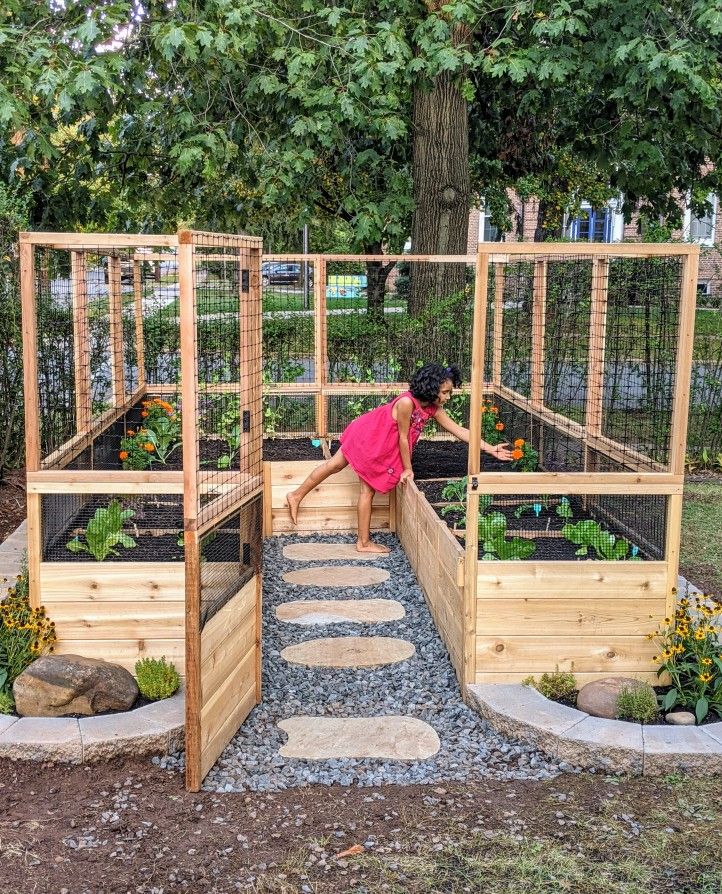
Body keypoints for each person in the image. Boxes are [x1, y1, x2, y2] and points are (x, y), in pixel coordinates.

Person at [285, 362, 514, 553]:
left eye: (449, 392)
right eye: (445, 392)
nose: (448, 397)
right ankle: (361, 542)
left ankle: (295, 496)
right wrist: (408, 468)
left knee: (339, 469)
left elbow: (459, 430)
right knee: (343, 473)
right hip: (370, 436)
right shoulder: (406, 403)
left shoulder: (433, 408)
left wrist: (489, 447)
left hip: (378, 440)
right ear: (431, 388)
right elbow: (403, 438)